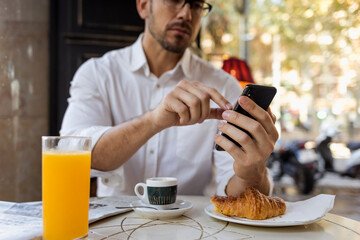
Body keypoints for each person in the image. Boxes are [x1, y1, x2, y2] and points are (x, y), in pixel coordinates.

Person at [60, 0, 279, 197]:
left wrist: (251, 174)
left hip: (191, 229)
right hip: (115, 228)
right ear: (144, 5)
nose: (186, 14)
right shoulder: (98, 74)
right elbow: (72, 152)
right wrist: (153, 121)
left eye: (195, 4)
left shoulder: (223, 87)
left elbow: (236, 190)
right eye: (174, 1)